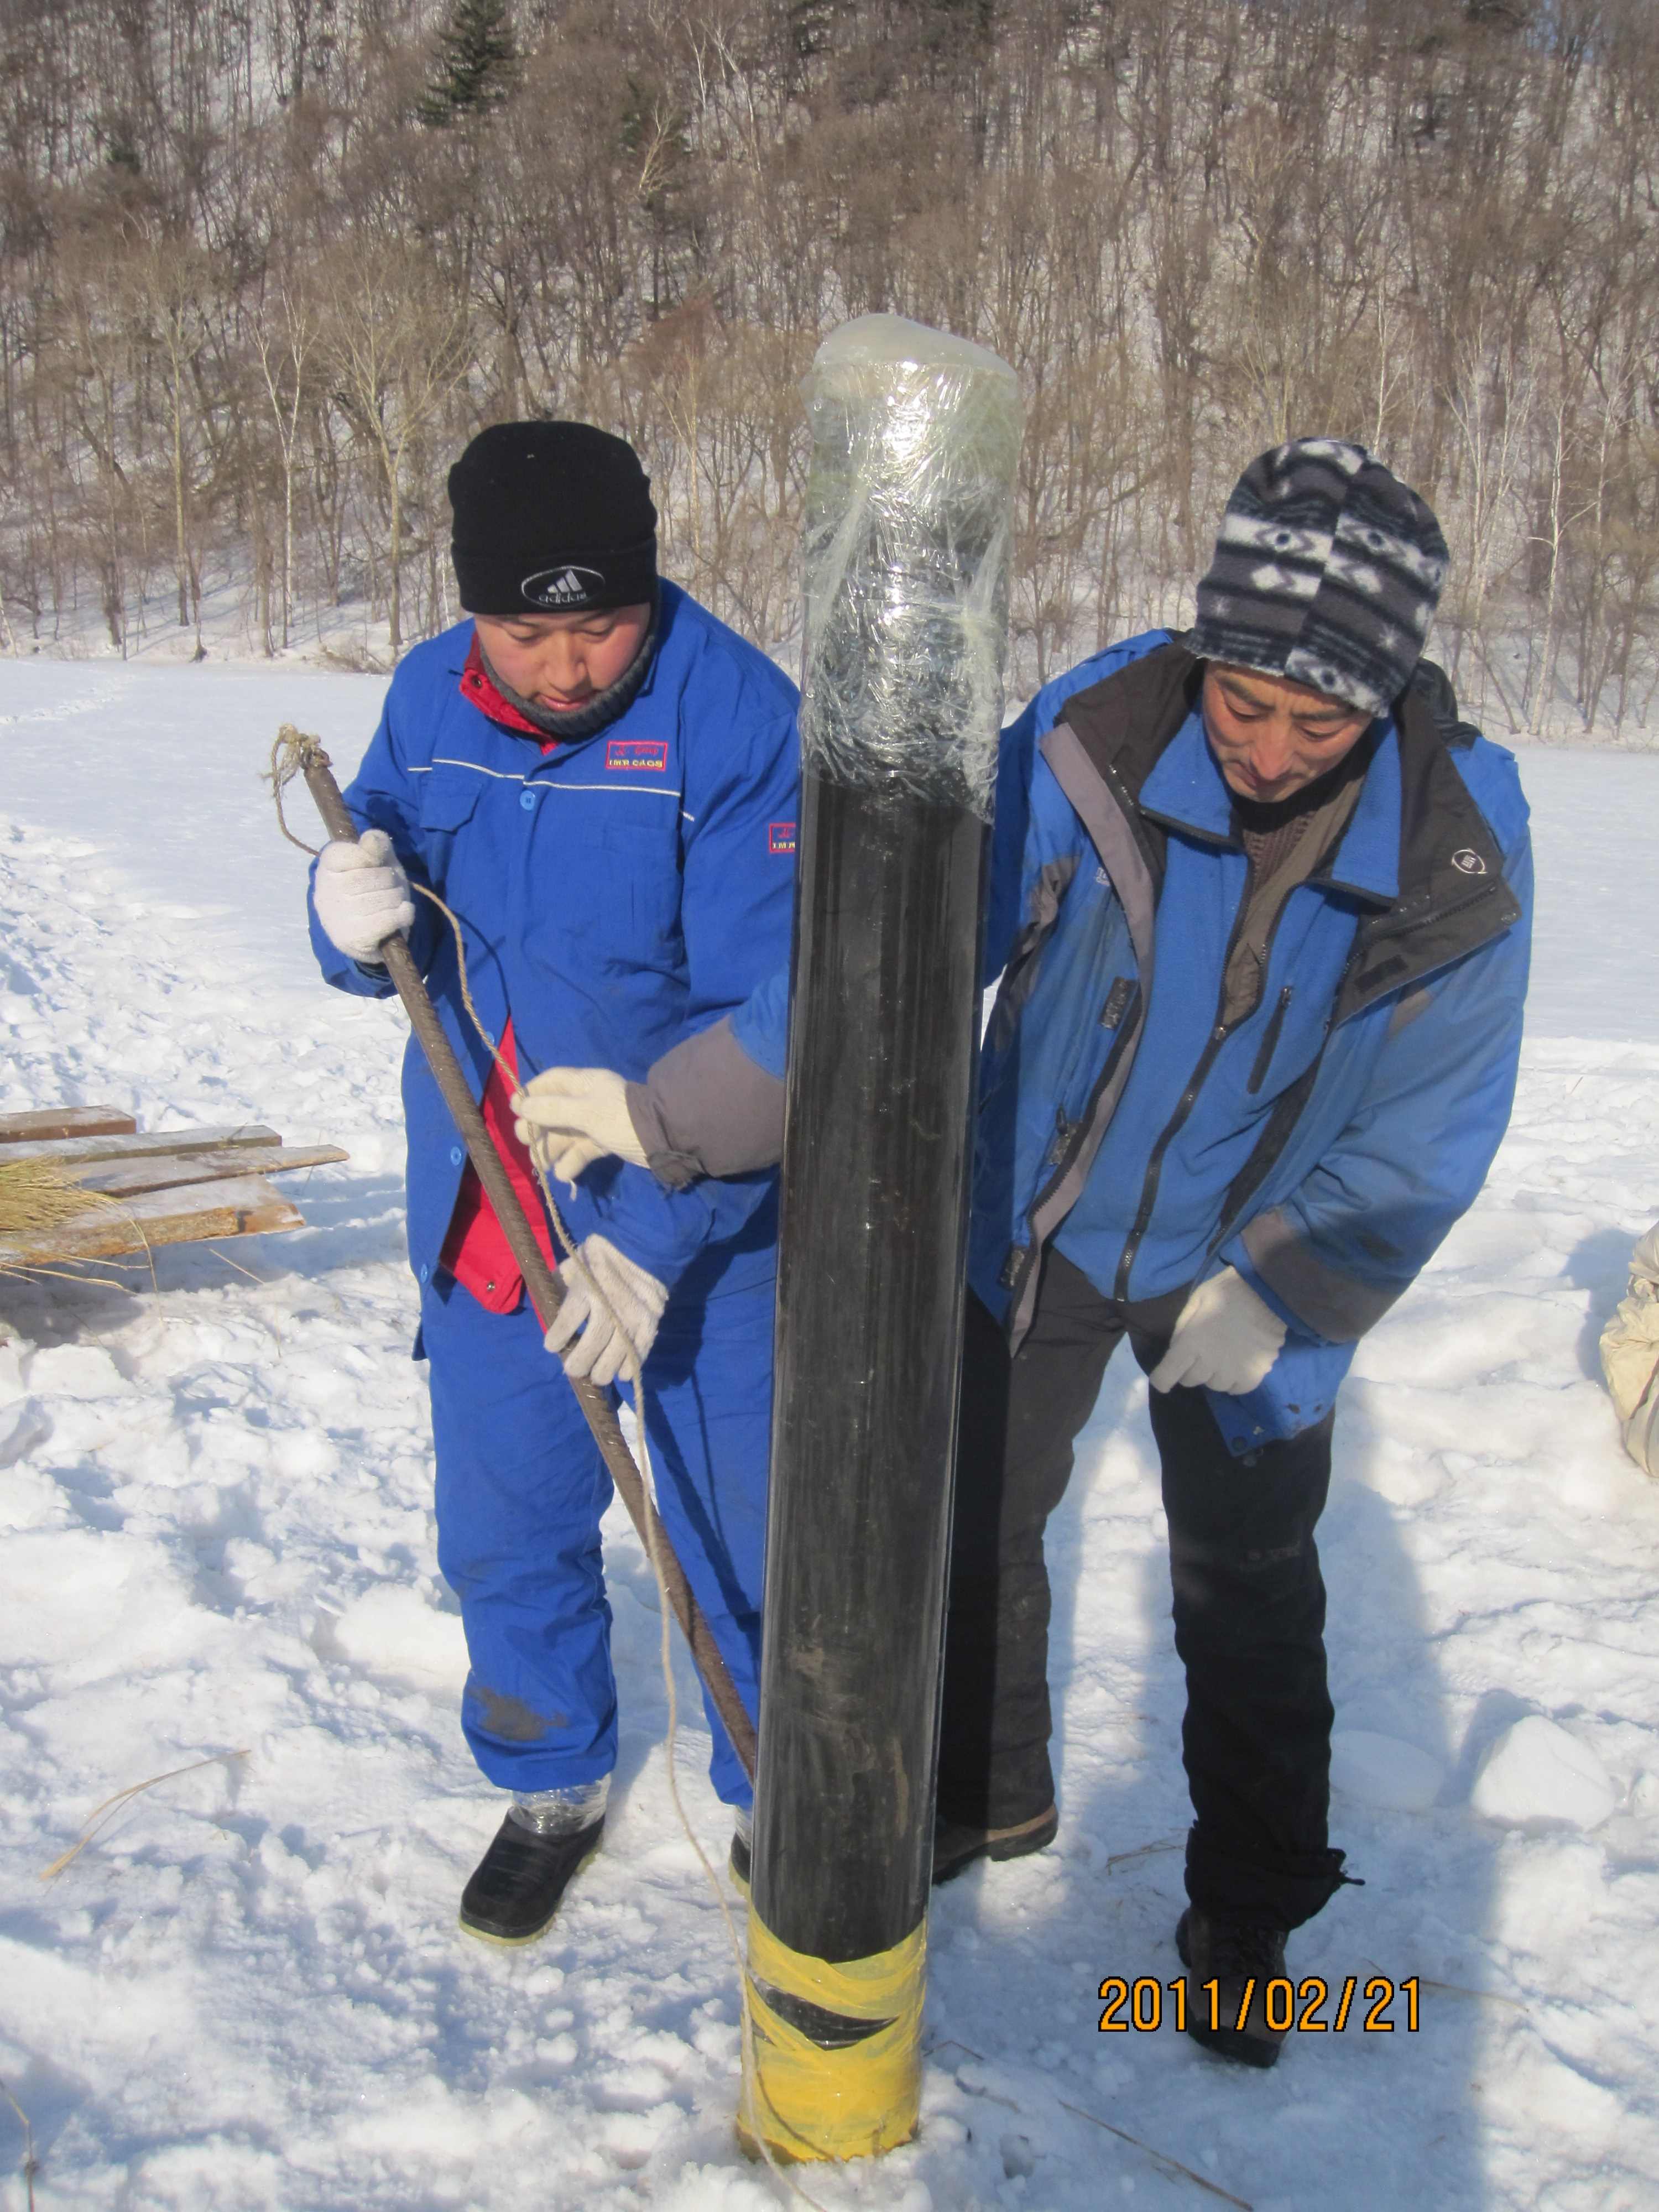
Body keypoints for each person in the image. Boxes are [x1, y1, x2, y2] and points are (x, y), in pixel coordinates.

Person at [513, 437, 1533, 2064]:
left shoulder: (1455, 857)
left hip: (1254, 1257)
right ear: (1201, 654)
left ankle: (1251, 1910)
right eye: (1241, 702)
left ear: (1390, 692)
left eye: (1317, 722)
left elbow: (1431, 1119)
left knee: (1251, 1591)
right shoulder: (1094, 743)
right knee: (973, 1520)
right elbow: (883, 956)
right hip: (1037, 1216)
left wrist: (1287, 1289)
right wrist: (675, 1110)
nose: (1267, 750)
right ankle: (984, 1794)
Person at [307, 421, 798, 1945]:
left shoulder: (740, 720)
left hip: (700, 1206)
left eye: (602, 626)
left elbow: (776, 1016)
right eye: (530, 631)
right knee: (506, 1520)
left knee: (735, 1526)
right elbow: (386, 916)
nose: (570, 665)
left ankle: (769, 1787)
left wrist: (650, 1234)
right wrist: (342, 916)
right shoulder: (422, 700)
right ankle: (549, 1779)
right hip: (491, 1198)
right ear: (472, 614)